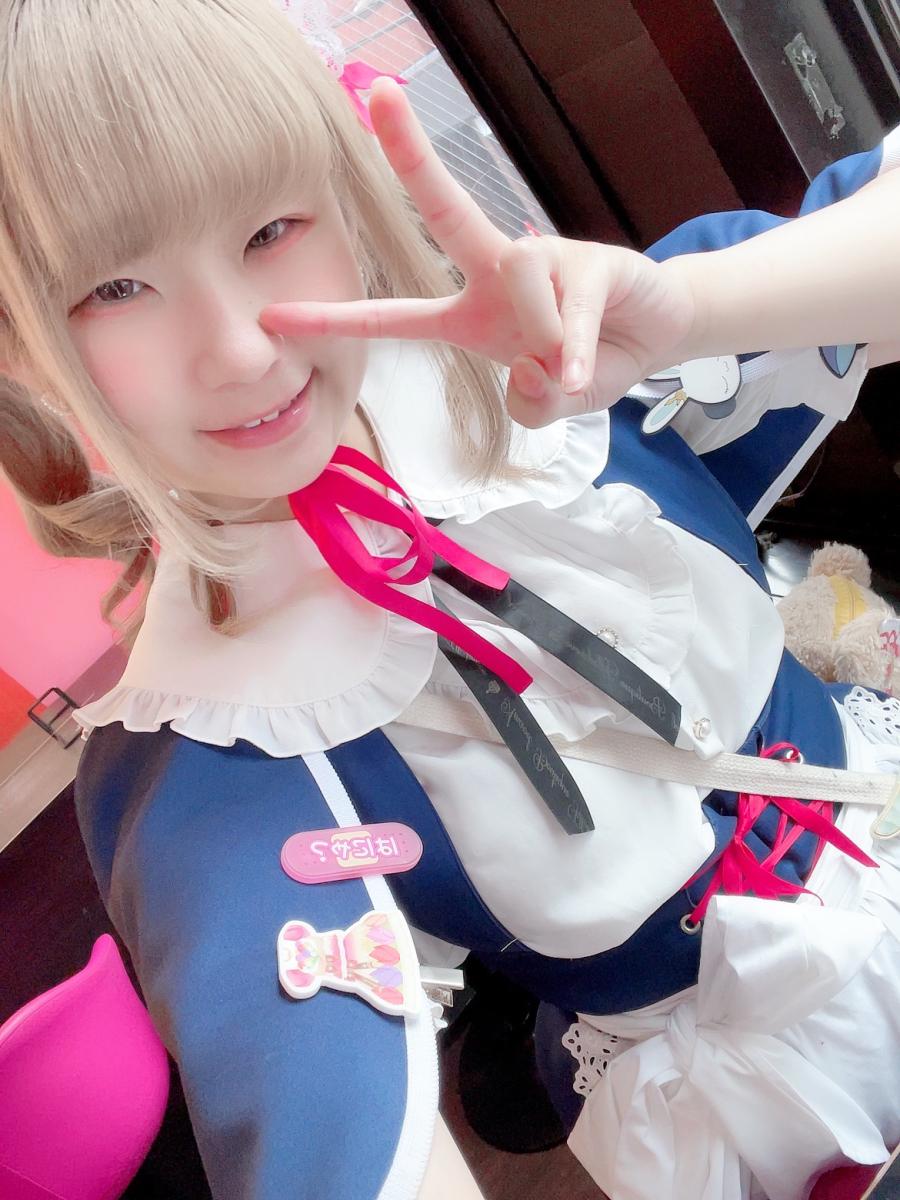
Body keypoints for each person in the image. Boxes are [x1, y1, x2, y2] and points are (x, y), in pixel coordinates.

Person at [0, 2, 897, 1197]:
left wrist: (697, 309)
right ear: (18, 353)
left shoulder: (553, 406)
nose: (243, 351)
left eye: (270, 227)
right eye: (114, 287)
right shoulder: (214, 753)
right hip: (774, 1100)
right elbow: (334, 1141)